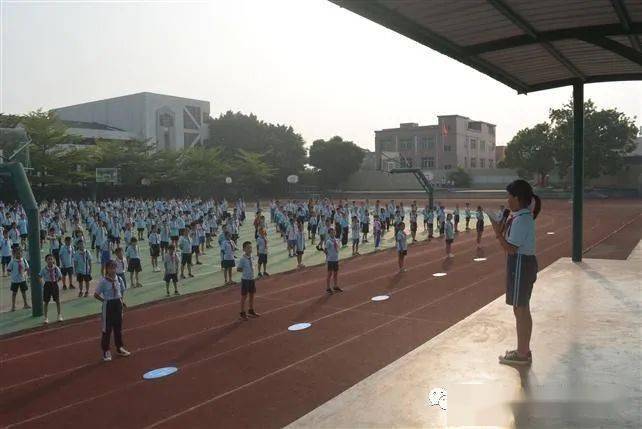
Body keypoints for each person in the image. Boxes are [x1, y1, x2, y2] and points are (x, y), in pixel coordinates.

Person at [490, 179, 541, 366]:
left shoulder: (521, 219)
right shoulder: (521, 217)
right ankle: (523, 349)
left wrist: (497, 233)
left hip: (521, 263)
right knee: (520, 308)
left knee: (521, 308)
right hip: (521, 263)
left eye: (509, 196)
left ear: (517, 198)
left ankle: (522, 353)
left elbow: (511, 248)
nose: (507, 200)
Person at [94, 260, 130, 362]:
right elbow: (96, 295)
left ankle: (119, 347)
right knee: (107, 329)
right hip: (108, 305)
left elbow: (121, 291)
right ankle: (106, 351)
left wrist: (122, 301)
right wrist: (104, 301)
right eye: (111, 268)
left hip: (118, 304)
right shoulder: (103, 281)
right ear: (107, 269)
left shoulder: (119, 279)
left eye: (114, 267)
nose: (113, 270)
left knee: (118, 327)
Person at [237, 241, 260, 321]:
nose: (250, 249)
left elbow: (253, 266)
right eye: (247, 248)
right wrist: (245, 270)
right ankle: (242, 312)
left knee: (252, 295)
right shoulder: (242, 259)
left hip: (252, 279)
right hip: (245, 279)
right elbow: (238, 269)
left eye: (250, 247)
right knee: (244, 296)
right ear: (244, 249)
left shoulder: (252, 257)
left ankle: (251, 310)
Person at [39, 254, 63, 323]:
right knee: (46, 302)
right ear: (46, 260)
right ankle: (46, 317)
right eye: (48, 259)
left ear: (53, 260)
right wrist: (43, 283)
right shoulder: (44, 269)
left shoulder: (56, 268)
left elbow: (60, 277)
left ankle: (59, 315)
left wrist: (56, 281)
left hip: (54, 284)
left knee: (57, 301)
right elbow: (39, 276)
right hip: (47, 285)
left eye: (51, 259)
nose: (50, 261)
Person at [323, 228, 342, 294]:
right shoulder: (328, 241)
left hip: (336, 259)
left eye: (334, 232)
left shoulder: (336, 240)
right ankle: (328, 287)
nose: (333, 233)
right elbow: (325, 250)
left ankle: (335, 286)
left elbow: (338, 248)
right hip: (330, 260)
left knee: (336, 273)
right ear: (329, 234)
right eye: (331, 233)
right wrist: (328, 256)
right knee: (330, 273)